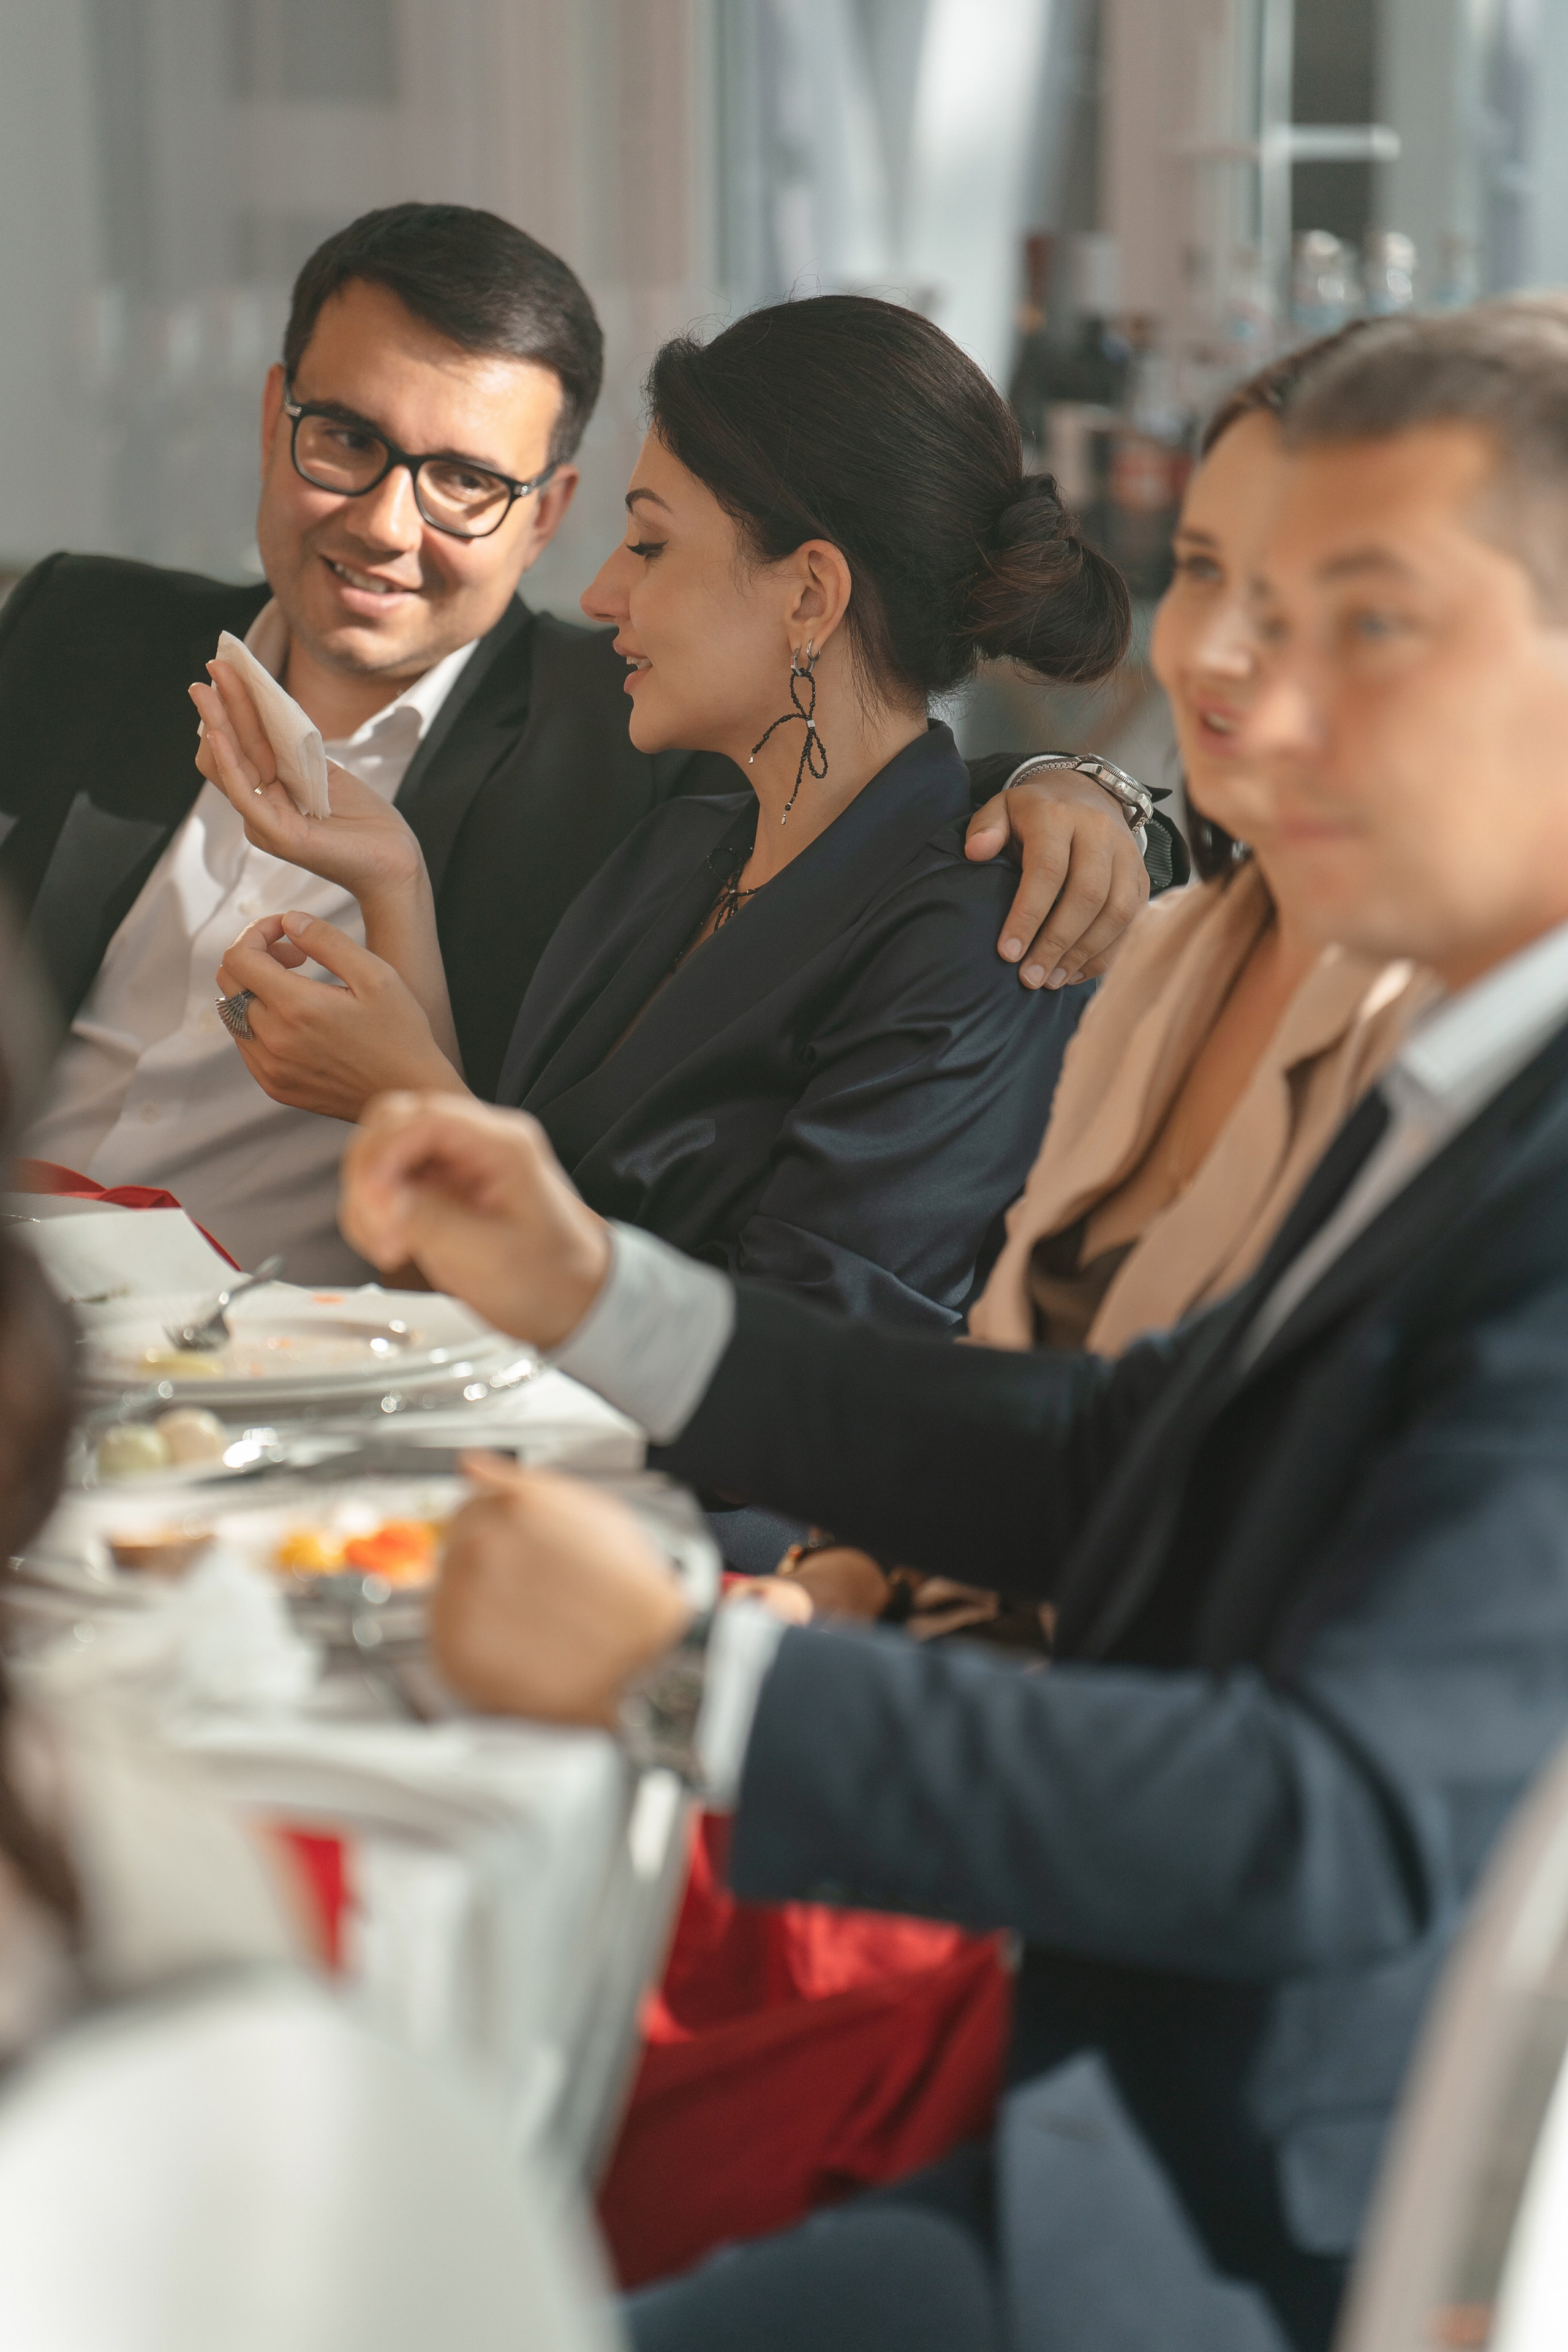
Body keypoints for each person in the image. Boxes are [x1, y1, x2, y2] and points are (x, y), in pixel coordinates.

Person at [337, 297, 1568, 2352]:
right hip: (1118, 2096)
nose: (1235, 683)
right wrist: (596, 1293)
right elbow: (1106, 1452)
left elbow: (1328, 1821)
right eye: (1226, 591)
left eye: (1372, 622)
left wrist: (689, 1684)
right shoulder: (1467, 1081)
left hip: (1204, 2223)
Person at [0, 202, 1163, 1285]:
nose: (384, 522)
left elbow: (793, 1366)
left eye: (463, 479)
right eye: (346, 439)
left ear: (541, 512)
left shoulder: (641, 759)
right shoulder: (678, 854)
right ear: (273, 418)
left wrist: (1095, 788)